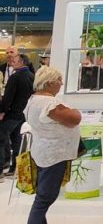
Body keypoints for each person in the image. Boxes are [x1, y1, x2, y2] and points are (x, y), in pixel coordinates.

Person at [24, 67, 81, 222]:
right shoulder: (49, 104)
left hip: (42, 152)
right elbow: (74, 119)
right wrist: (75, 110)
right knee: (45, 198)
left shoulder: (34, 99)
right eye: (59, 80)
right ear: (49, 82)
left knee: (43, 196)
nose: (61, 84)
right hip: (54, 155)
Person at [0, 51, 34, 180]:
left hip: (12, 113)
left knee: (1, 139)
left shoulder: (15, 77)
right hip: (22, 113)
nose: (12, 62)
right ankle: (15, 169)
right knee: (17, 141)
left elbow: (8, 97)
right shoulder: (31, 75)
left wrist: (2, 111)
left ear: (21, 62)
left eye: (15, 60)